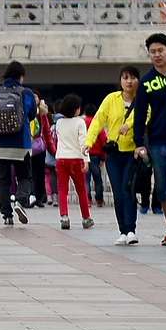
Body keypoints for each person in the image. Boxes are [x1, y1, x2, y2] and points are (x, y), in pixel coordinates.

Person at [133, 33, 166, 247]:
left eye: (160, 51)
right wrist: (138, 142)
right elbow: (139, 113)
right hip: (155, 142)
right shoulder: (146, 81)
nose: (156, 55)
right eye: (152, 52)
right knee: (163, 185)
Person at [87, 65, 144, 245]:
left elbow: (147, 114)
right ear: (120, 81)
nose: (129, 81)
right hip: (113, 154)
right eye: (125, 77)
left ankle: (131, 229)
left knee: (129, 191)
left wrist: (130, 123)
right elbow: (98, 120)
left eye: (133, 77)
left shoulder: (142, 99)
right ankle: (123, 231)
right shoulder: (111, 99)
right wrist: (88, 142)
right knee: (118, 194)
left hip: (132, 154)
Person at [0, 60, 38, 226]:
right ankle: (20, 202)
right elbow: (31, 115)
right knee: (25, 177)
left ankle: (6, 215)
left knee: (3, 180)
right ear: (21, 76)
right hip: (20, 145)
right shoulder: (26, 93)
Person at [54, 93, 94, 230]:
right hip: (76, 159)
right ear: (76, 109)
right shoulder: (80, 122)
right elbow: (83, 142)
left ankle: (64, 216)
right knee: (81, 189)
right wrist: (86, 160)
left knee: (62, 189)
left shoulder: (59, 122)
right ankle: (86, 217)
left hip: (61, 159)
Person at [82, 103, 106, 207]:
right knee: (97, 178)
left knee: (86, 178)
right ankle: (99, 200)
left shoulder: (82, 123)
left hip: (84, 154)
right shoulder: (97, 123)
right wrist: (103, 157)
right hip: (96, 155)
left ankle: (87, 200)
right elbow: (103, 140)